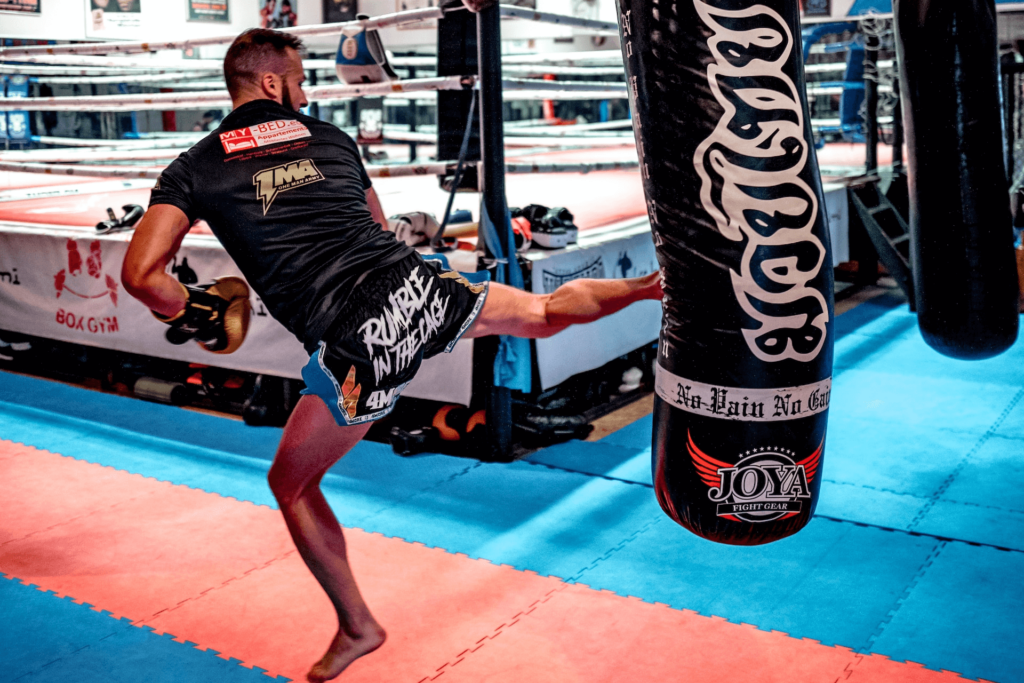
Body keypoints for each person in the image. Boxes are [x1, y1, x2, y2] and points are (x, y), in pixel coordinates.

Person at [121, 28, 662, 682]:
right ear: (272, 83)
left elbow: (142, 274)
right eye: (299, 79)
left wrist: (191, 308)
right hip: (416, 288)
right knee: (542, 314)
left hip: (357, 345)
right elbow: (377, 231)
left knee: (290, 484)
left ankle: (357, 625)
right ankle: (651, 287)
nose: (305, 91)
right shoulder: (332, 140)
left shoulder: (195, 166)